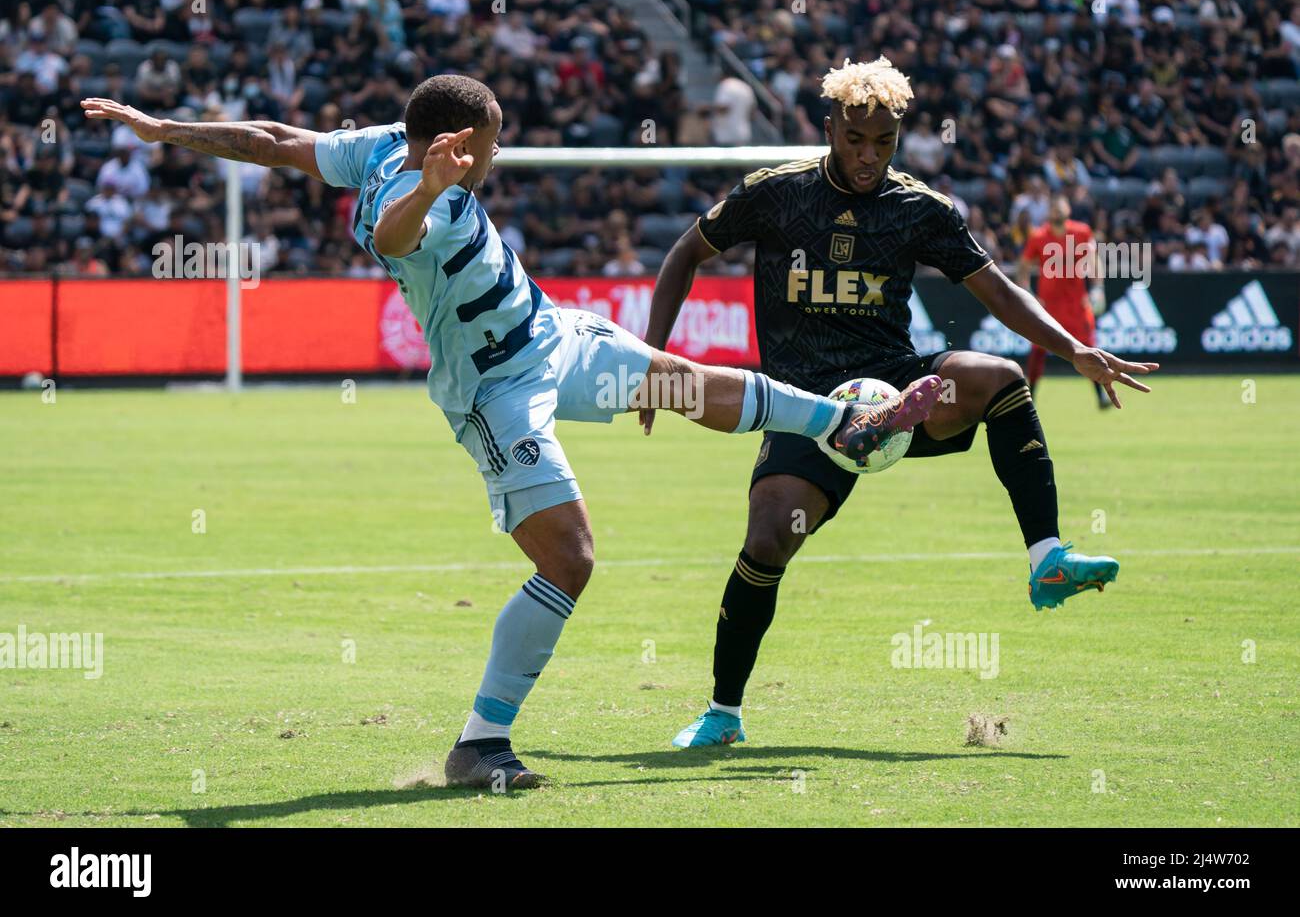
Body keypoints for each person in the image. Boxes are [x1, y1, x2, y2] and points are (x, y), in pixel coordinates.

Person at [81, 75, 941, 788]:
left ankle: (846, 422)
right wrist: (431, 187)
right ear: (454, 143)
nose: (496, 155)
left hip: (550, 337)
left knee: (691, 385)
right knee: (569, 559)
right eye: (489, 142)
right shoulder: (417, 198)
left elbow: (274, 138)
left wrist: (162, 128)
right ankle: (478, 744)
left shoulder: (386, 139)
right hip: (494, 394)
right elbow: (393, 232)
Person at [644, 58, 1157, 748]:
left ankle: (1046, 558)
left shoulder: (921, 208)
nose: (867, 156)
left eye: (882, 143)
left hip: (891, 384)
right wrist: (654, 358)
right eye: (854, 139)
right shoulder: (775, 193)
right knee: (766, 542)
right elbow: (685, 253)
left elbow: (1000, 290)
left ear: (899, 138)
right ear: (829, 126)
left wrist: (1074, 350)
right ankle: (723, 713)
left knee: (1000, 377)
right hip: (804, 404)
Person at [1017, 194, 1109, 408]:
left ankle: (1101, 395)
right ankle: (1029, 399)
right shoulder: (1038, 237)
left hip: (1077, 305)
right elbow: (1023, 267)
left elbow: (1093, 260)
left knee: (1089, 349)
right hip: (1048, 308)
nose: (1058, 210)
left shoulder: (1082, 231)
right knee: (1037, 353)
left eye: (1061, 206)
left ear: (1069, 209)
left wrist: (1098, 288)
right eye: (1054, 207)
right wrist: (1028, 294)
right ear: (1049, 212)